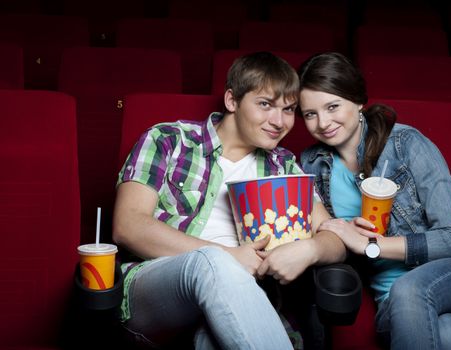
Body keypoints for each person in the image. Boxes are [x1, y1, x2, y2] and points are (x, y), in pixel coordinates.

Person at [112, 51, 347, 349]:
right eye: (265, 105)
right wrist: (229, 256)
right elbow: (128, 224)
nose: (279, 121)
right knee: (213, 263)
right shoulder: (169, 140)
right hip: (154, 292)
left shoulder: (283, 166)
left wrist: (310, 249)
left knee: (213, 335)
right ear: (232, 101)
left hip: (238, 299)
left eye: (288, 109)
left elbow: (335, 239)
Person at [297, 52, 451, 349]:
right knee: (449, 333)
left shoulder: (406, 144)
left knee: (409, 289)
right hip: (393, 306)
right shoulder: (311, 165)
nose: (323, 122)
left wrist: (372, 246)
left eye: (333, 107)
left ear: (358, 101)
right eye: (310, 114)